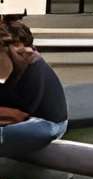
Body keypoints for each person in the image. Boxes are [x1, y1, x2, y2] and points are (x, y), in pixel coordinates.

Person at [0, 19, 69, 157]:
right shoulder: (11, 68)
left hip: (47, 125)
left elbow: (25, 111)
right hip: (22, 121)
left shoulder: (34, 66)